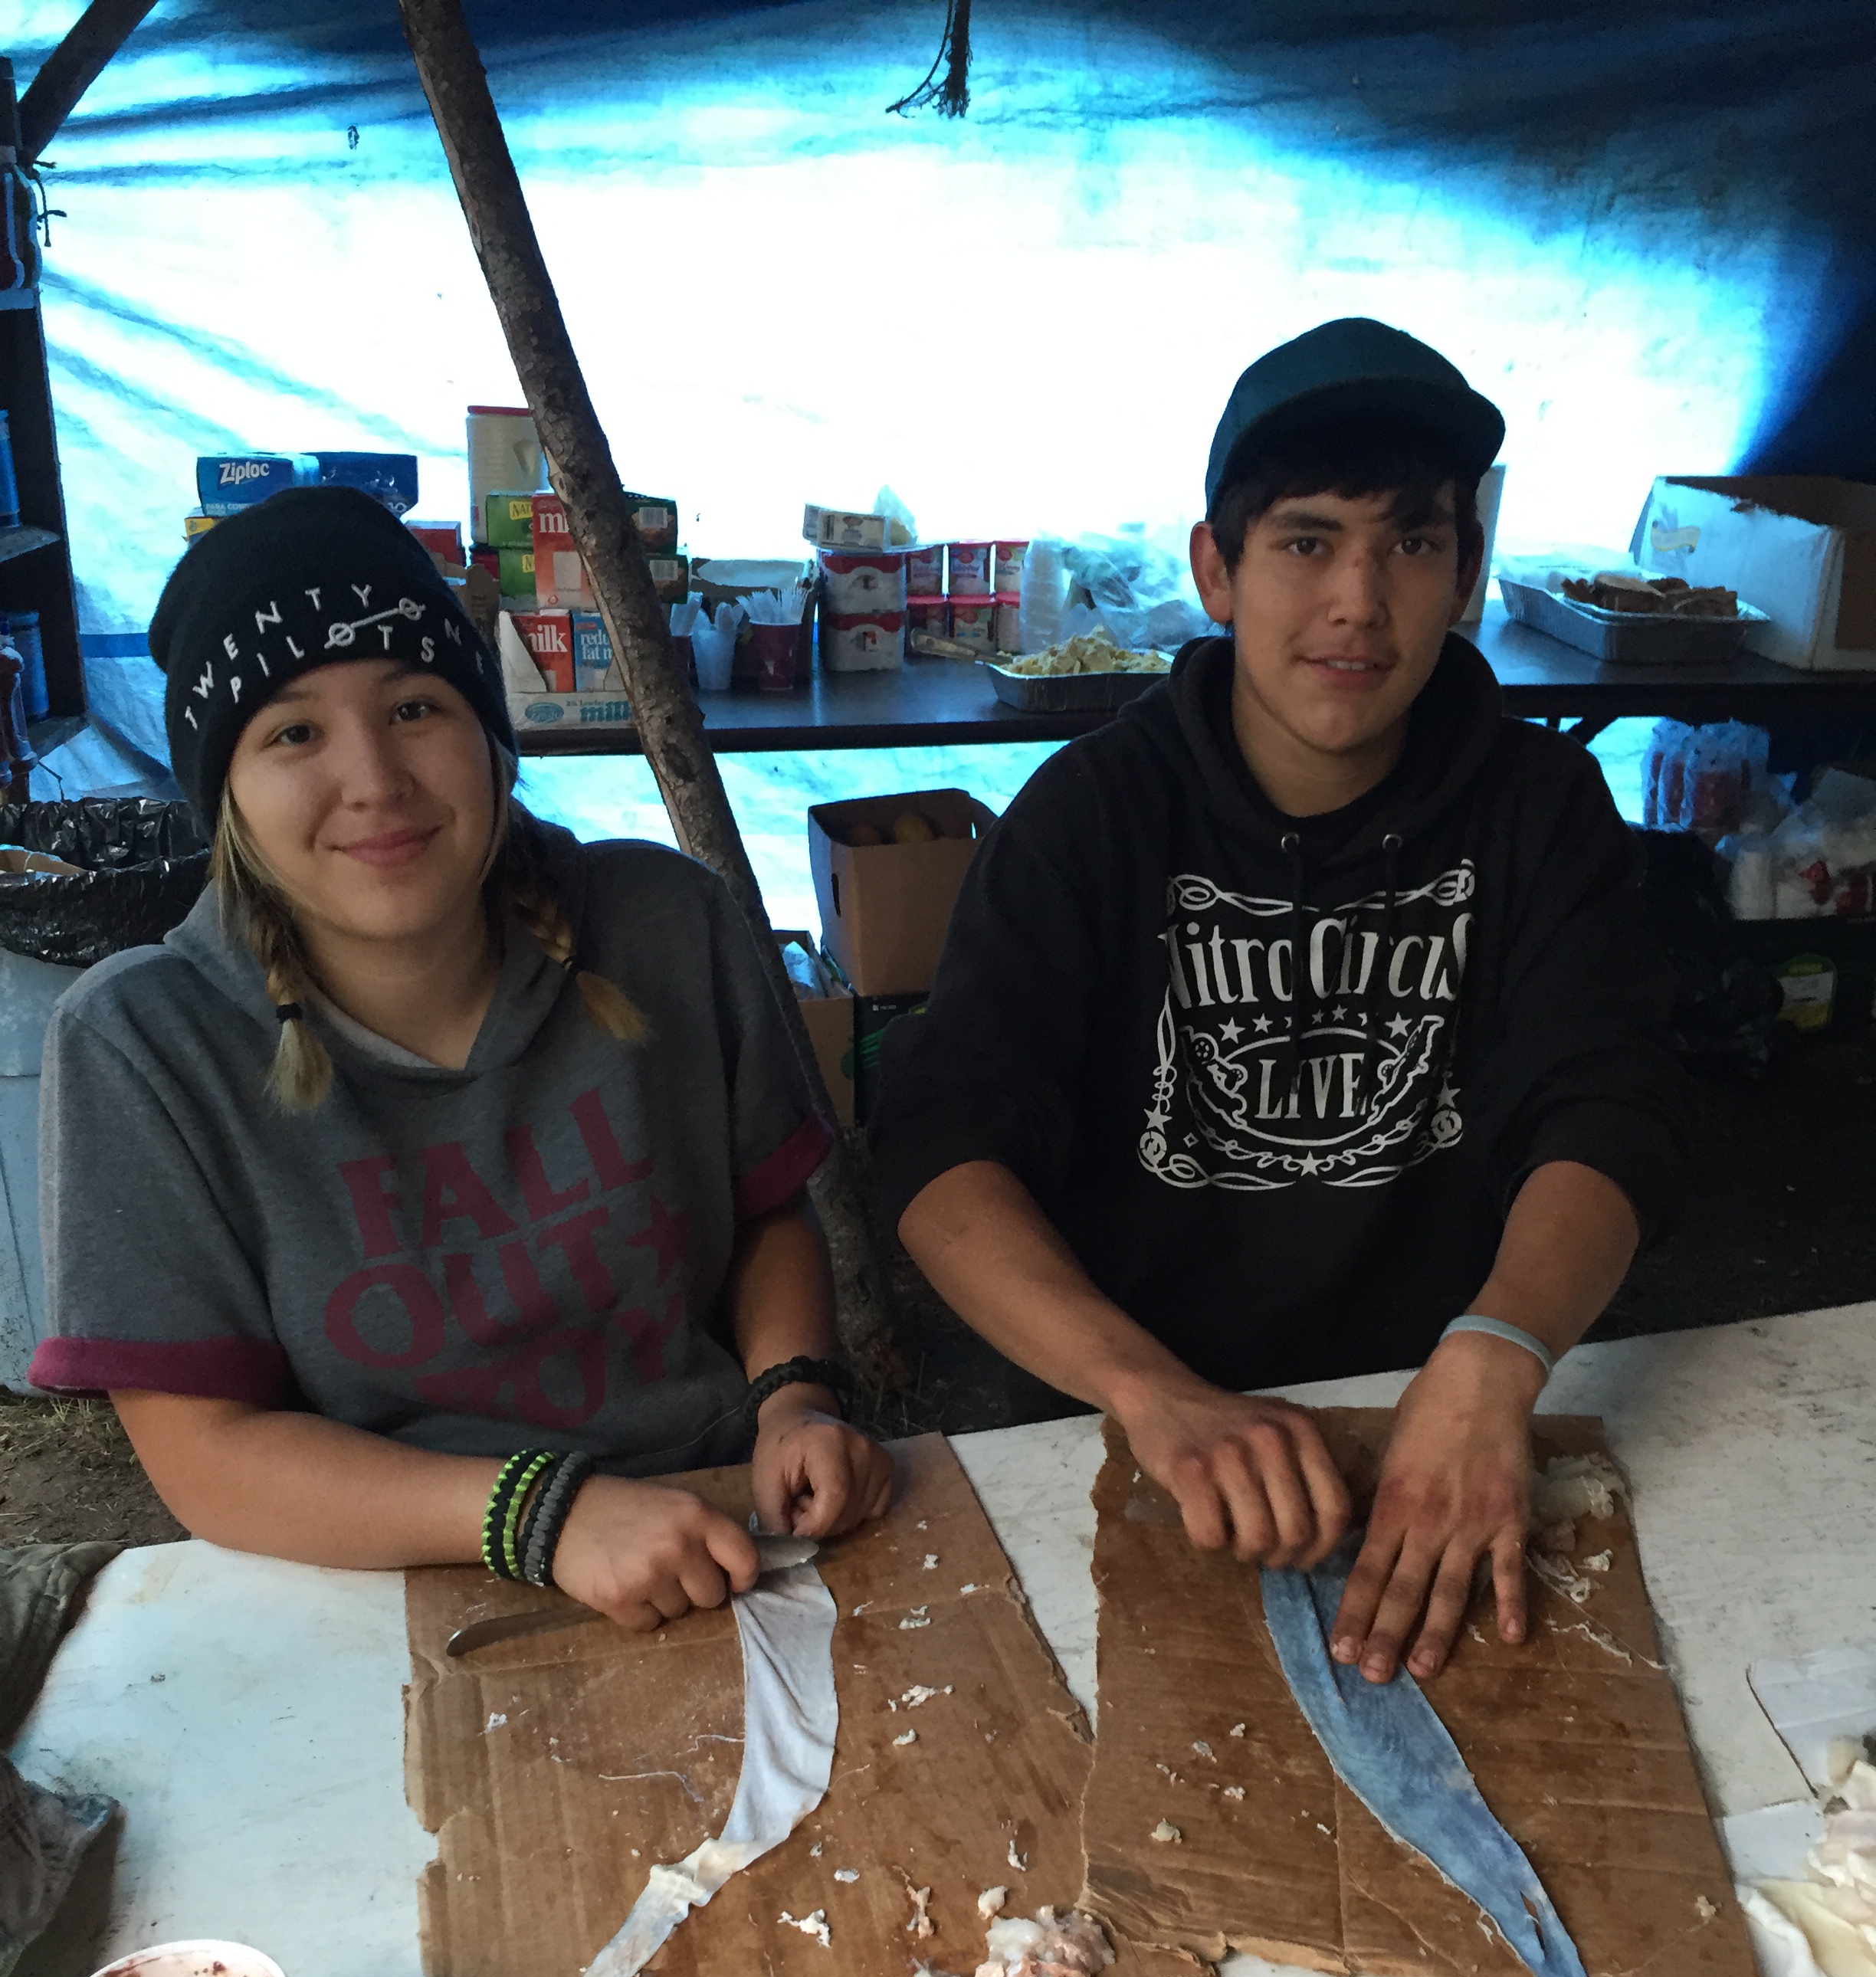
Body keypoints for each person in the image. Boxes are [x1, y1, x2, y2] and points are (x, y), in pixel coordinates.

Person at [869, 318, 1688, 1687]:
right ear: (1217, 571)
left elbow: (1610, 1108)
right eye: (1308, 541)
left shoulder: (1543, 806)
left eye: (1411, 542)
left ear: (1466, 574)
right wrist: (1147, 1391)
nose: (1359, 601)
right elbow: (940, 1148)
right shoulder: (1089, 816)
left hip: (1449, 1403)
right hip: (1136, 1418)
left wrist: (1499, 1351)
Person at [30, 487, 890, 1628]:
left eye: (415, 707)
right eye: (293, 733)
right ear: (226, 793)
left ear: (492, 738)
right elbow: (206, 1452)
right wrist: (546, 1517)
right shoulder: (142, 1045)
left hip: (718, 1521)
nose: (376, 782)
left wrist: (794, 1397)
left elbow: (765, 1214)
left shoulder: (665, 922)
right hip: (379, 1577)